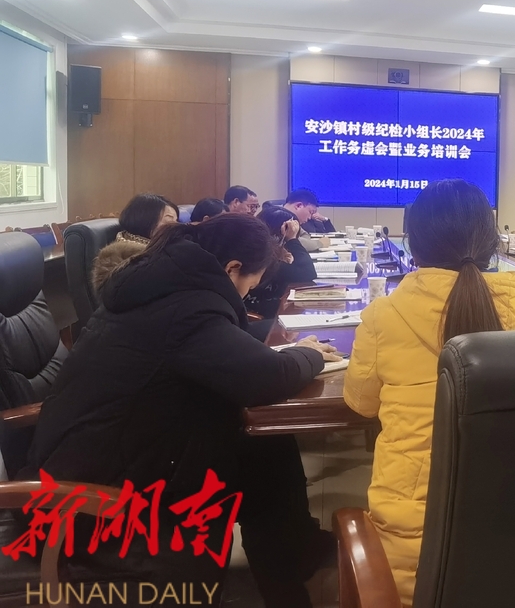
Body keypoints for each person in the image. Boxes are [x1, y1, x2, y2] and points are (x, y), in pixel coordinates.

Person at [24, 214, 340, 607]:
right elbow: (269, 377)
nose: (245, 297)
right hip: (89, 501)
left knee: (264, 448)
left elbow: (231, 354)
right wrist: (309, 354)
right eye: (249, 286)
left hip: (118, 453)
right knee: (257, 449)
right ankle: (290, 569)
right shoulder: (185, 307)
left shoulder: (162, 287)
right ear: (232, 268)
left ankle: (291, 567)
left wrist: (290, 352)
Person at [344, 179, 515, 604]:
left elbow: (361, 403)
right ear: (490, 241)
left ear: (413, 244)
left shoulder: (385, 315)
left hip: (412, 565)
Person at [244, 205, 318, 321]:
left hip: (271, 309)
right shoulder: (261, 257)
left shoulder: (256, 249)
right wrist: (292, 239)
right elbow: (307, 272)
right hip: (259, 316)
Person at [92, 193, 179, 291]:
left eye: (176, 221)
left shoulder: (165, 246)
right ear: (145, 221)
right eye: (169, 220)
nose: (177, 226)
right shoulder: (118, 258)